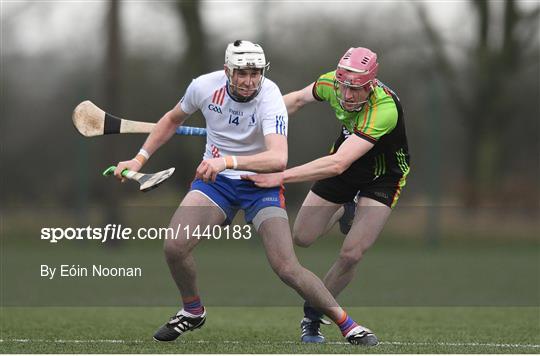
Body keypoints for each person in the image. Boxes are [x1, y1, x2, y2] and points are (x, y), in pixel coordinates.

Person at [113, 41, 378, 346]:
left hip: (260, 185)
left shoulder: (270, 97)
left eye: (255, 72)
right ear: (227, 71)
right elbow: (172, 120)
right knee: (175, 245)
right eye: (242, 73)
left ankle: (348, 324)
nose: (250, 80)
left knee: (286, 267)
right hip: (216, 184)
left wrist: (227, 160)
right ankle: (192, 311)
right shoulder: (202, 87)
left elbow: (278, 158)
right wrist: (139, 159)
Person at [243, 47, 410, 343]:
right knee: (302, 237)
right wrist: (250, 118)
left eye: (355, 90)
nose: (346, 95)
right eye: (343, 86)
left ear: (371, 85)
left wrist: (279, 175)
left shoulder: (384, 108)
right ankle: (347, 207)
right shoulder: (331, 82)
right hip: (345, 166)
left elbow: (337, 163)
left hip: (383, 177)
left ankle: (314, 316)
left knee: (351, 253)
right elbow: (293, 101)